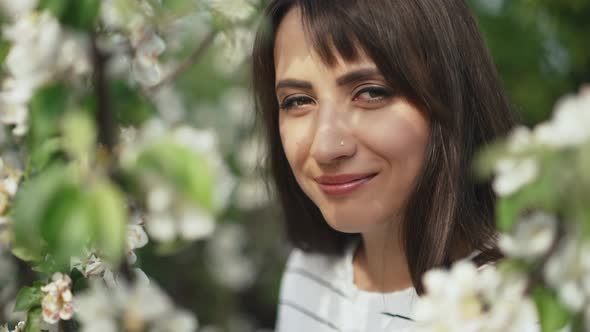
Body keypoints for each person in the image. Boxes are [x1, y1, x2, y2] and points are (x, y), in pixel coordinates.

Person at [252, 0, 521, 331]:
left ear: (451, 96)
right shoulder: (309, 272)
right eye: (297, 101)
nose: (325, 147)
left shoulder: (512, 303)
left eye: (371, 93)